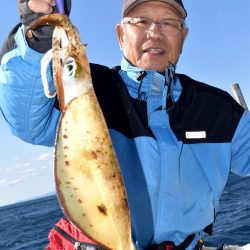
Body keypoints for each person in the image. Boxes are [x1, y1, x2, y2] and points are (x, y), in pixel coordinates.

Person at [0, 0, 250, 249]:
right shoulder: (86, 90)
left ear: (183, 37)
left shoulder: (220, 111)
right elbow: (28, 122)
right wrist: (40, 35)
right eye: (141, 21)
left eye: (168, 23)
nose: (154, 32)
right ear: (120, 36)